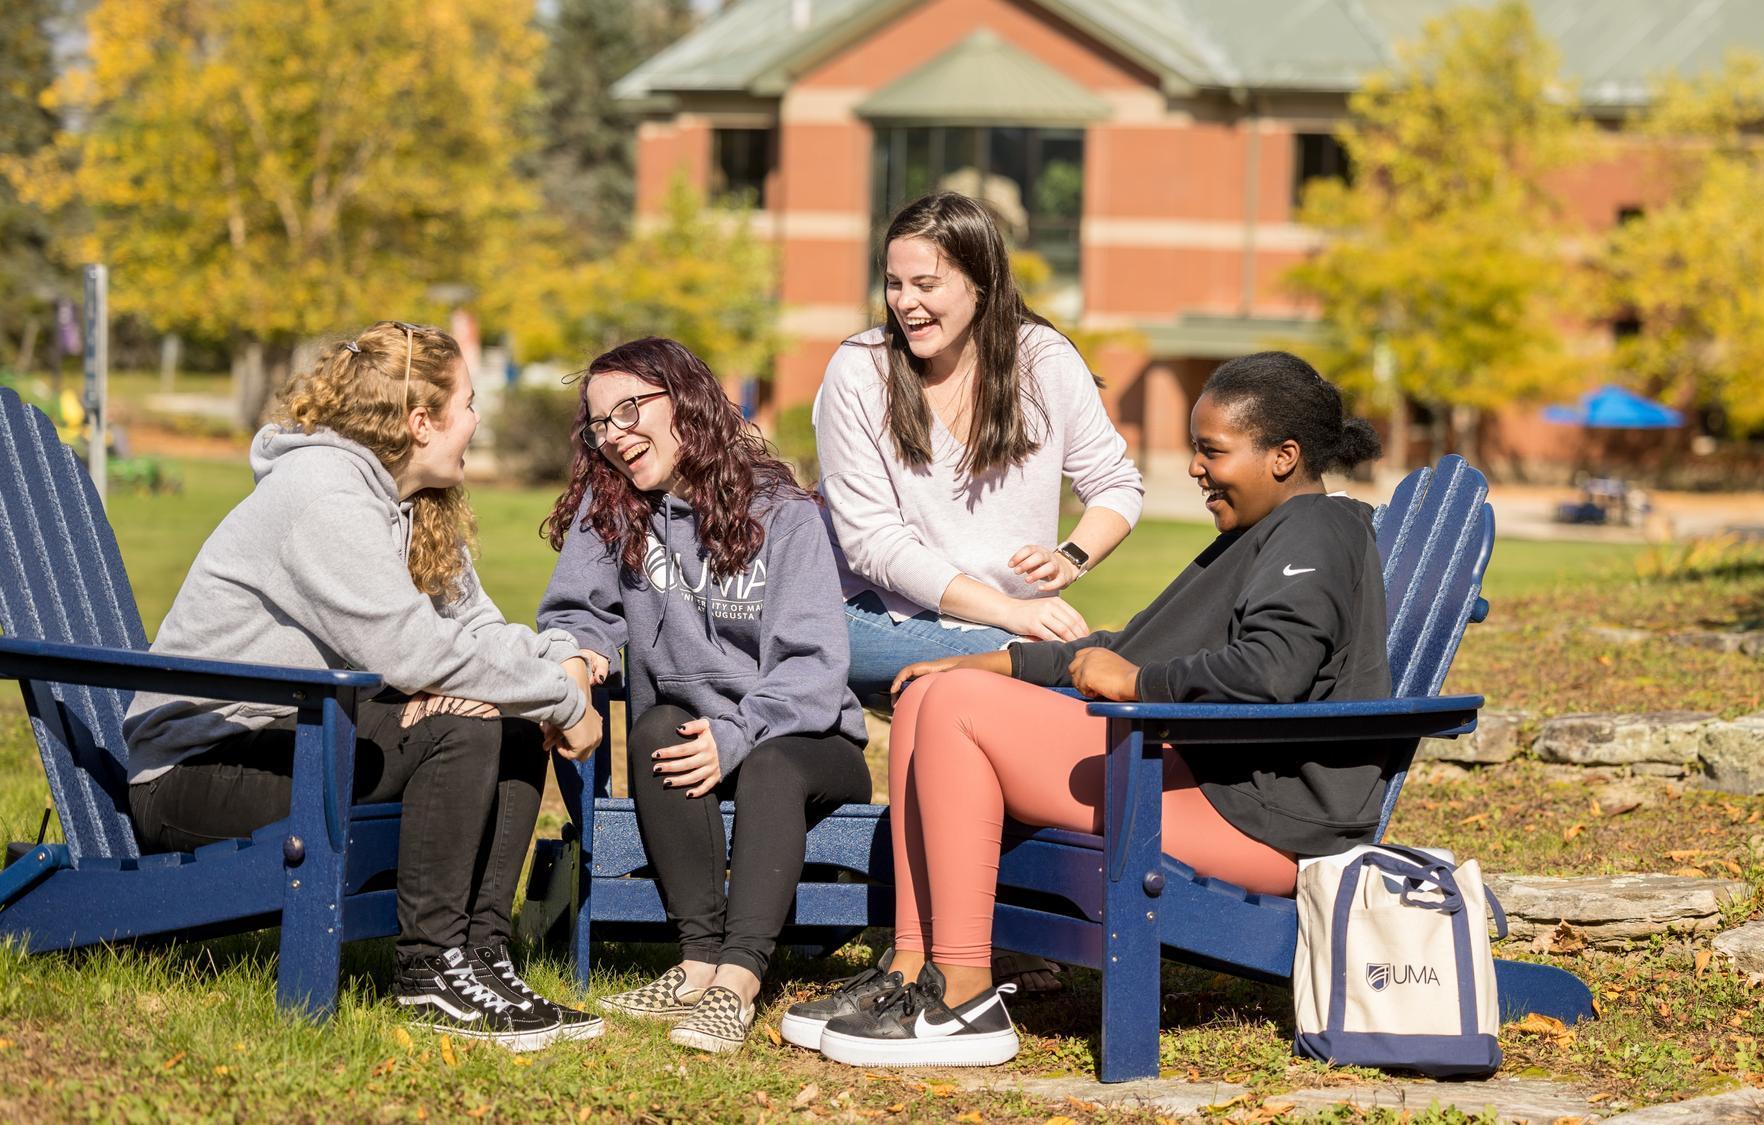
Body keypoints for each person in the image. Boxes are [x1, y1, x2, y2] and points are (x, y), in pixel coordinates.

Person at [788, 351, 1390, 1068]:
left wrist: (1136, 682)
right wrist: (998, 658)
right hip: (1206, 780)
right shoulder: (1258, 535)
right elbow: (1127, 643)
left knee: (953, 709)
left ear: (1284, 456)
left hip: (1261, 818)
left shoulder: (1316, 532)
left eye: (1212, 450)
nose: (1196, 467)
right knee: (927, 693)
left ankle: (969, 996)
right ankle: (916, 968)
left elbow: (1272, 670)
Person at [123, 321, 606, 1052]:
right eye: (467, 404)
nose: (478, 419)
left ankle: (480, 956)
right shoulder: (321, 494)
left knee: (505, 716)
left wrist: (559, 659)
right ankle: (429, 973)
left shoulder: (415, 504)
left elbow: (474, 629)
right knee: (465, 719)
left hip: (307, 736)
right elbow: (413, 652)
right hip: (199, 769)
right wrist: (563, 697)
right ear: (419, 421)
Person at [538, 337, 871, 1055]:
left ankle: (739, 979)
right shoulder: (615, 507)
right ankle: (695, 964)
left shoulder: (784, 513)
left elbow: (813, 670)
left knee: (776, 763)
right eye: (600, 423)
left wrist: (736, 734)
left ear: (685, 400)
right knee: (658, 723)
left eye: (630, 409)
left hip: (808, 740)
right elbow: (574, 611)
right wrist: (578, 658)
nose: (616, 436)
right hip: (694, 738)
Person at [813, 190, 1145, 702]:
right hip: (865, 608)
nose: (905, 302)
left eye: (927, 284)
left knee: (1091, 676)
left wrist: (1071, 557)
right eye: (895, 284)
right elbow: (873, 545)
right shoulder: (860, 369)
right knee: (1052, 684)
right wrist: (1013, 614)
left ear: (981, 284)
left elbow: (1115, 482)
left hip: (1004, 620)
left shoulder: (1044, 360)